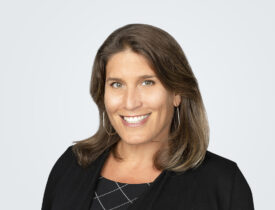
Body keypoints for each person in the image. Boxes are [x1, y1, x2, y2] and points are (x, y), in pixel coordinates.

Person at [42, 23, 254, 210]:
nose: (130, 102)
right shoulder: (72, 164)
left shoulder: (222, 183)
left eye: (147, 82)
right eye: (117, 84)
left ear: (177, 93)